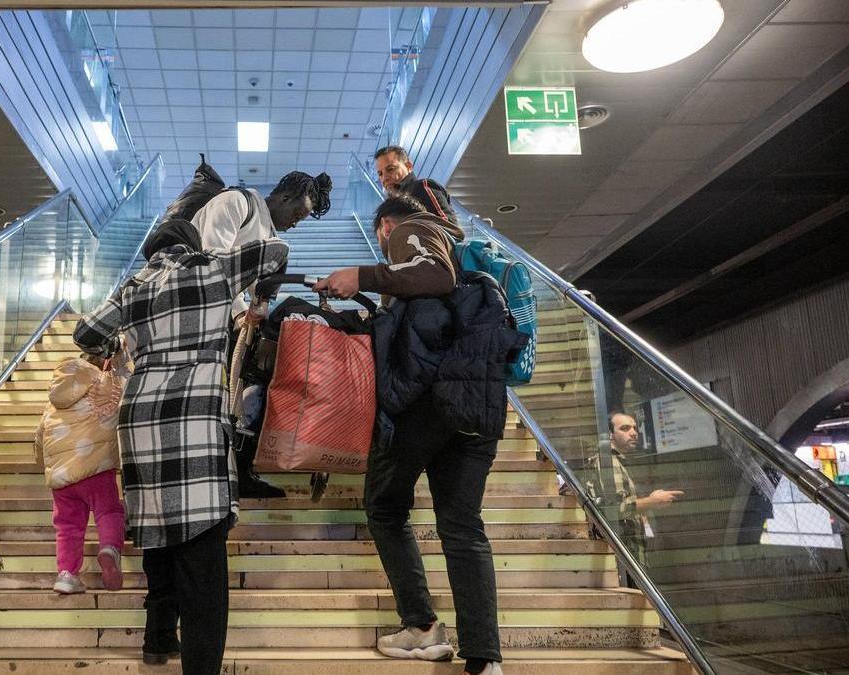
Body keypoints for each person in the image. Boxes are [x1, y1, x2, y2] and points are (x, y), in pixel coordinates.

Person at [316, 194, 525, 675]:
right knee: (462, 525)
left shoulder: (409, 231)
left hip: (432, 404)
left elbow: (435, 278)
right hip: (477, 405)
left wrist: (364, 275)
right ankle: (484, 658)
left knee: (385, 506)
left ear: (385, 225)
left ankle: (424, 628)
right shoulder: (453, 248)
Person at [74, 220, 289, 674]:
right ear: (192, 245)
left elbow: (85, 333)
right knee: (202, 558)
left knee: (160, 534)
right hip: (193, 420)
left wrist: (118, 341)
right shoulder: (214, 269)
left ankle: (157, 640)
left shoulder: (133, 286)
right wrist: (256, 291)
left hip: (142, 422)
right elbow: (276, 250)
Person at [191, 170, 332, 499]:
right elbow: (209, 264)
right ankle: (210, 474)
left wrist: (257, 312)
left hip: (226, 323)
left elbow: (260, 295)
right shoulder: (236, 204)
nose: (297, 223)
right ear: (284, 197)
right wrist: (242, 310)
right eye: (297, 214)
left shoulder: (275, 244)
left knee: (261, 374)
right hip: (193, 315)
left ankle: (241, 467)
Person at [35, 356, 126, 595]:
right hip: (96, 468)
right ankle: (110, 548)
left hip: (62, 477)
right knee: (109, 511)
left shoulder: (52, 404)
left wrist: (44, 464)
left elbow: (39, 436)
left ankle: (67, 574)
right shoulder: (104, 387)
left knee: (68, 526)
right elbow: (123, 404)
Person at [585, 411, 684, 566]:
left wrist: (648, 503)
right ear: (610, 434)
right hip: (624, 554)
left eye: (634, 428)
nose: (633, 433)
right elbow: (615, 508)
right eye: (625, 428)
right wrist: (652, 502)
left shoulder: (616, 461)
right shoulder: (608, 462)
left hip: (630, 551)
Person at [373, 145, 458, 223]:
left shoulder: (422, 186)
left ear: (408, 166)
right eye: (380, 174)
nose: (384, 178)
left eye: (390, 169)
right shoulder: (390, 206)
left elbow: (449, 225)